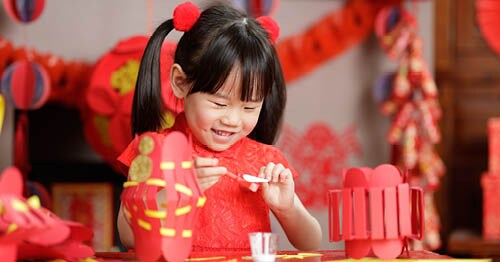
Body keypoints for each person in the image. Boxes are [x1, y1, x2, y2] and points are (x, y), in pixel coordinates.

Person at [117, 1, 322, 252]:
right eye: (218, 103)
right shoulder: (154, 152)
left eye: (248, 107)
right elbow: (127, 235)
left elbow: (311, 242)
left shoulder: (264, 160)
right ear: (180, 82)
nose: (233, 120)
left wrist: (286, 207)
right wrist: (176, 193)